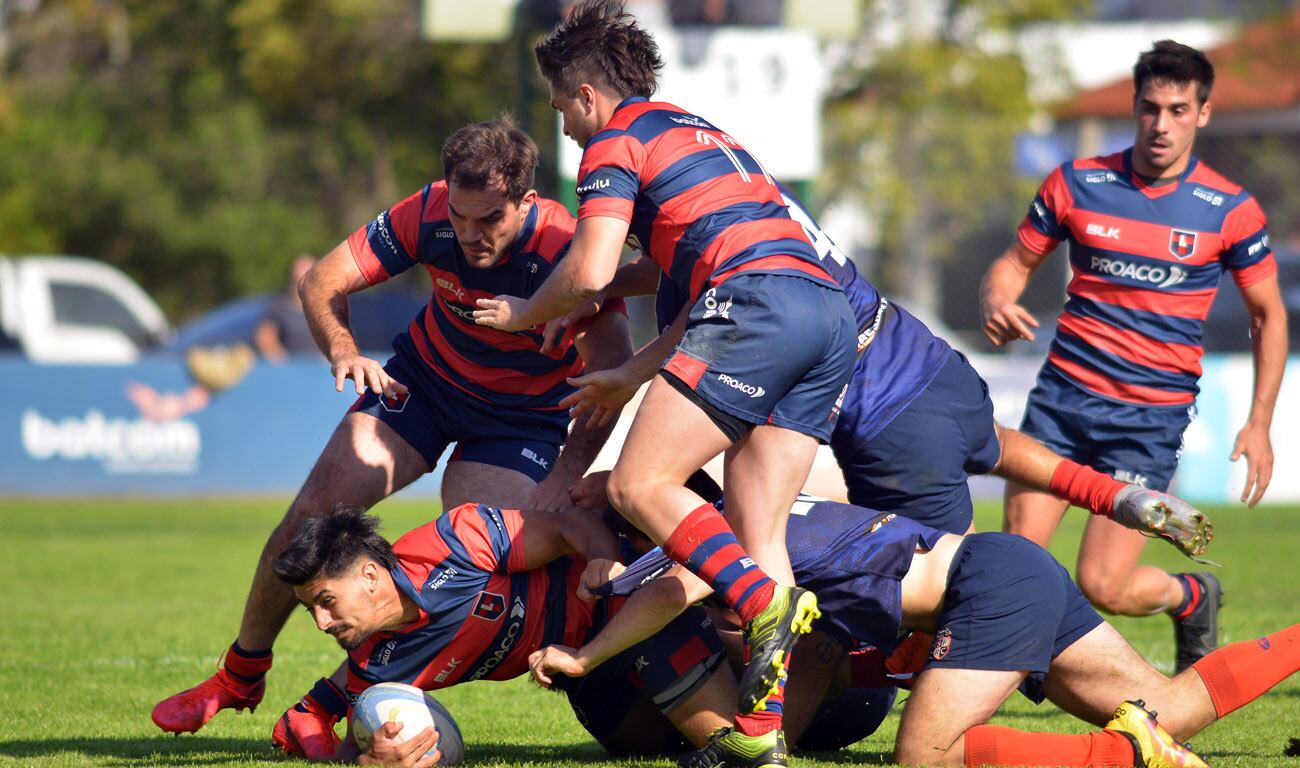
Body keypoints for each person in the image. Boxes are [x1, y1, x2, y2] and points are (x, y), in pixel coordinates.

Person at [151, 118, 633, 735]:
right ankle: (240, 674)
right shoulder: (428, 213)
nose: (468, 235)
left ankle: (350, 698)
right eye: (460, 217)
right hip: (421, 387)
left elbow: (614, 370)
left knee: (498, 564)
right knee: (311, 513)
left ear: (527, 202)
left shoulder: (570, 248)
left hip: (522, 421)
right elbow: (321, 280)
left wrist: (565, 475)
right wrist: (344, 349)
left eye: (488, 220)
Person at [474, 0, 858, 748]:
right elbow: (674, 258)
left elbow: (586, 268)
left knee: (637, 485)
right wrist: (618, 298)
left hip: (758, 306)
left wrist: (524, 312)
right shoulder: (693, 128)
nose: (563, 127)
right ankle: (761, 734)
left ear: (587, 95)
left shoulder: (613, 141)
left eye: (561, 109)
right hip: (827, 310)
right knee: (757, 530)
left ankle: (758, 602)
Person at [557, 187, 1215, 556]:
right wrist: (589, 290)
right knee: (991, 443)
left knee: (962, 596)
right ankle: (1118, 496)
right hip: (929, 362)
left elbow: (726, 411)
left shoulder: (725, 283)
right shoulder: (757, 214)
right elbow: (664, 269)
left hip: (888, 425)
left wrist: (636, 473)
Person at [533, 490, 1300, 768]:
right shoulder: (760, 505)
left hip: (982, 587)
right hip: (1005, 567)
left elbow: (672, 590)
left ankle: (1124, 756)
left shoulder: (715, 537)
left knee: (925, 755)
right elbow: (815, 640)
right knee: (1175, 707)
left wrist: (585, 652)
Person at [980, 41, 1288, 672]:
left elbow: (1269, 315)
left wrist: (1259, 422)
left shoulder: (1230, 210)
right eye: (1151, 108)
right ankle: (1012, 680)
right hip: (1061, 405)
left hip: (1146, 424)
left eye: (1179, 110)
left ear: (1203, 113)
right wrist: (997, 299)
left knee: (1105, 586)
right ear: (1134, 106)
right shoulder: (1077, 183)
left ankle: (1191, 596)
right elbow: (1012, 266)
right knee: (1017, 562)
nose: (1162, 125)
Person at [270, 503, 737, 763]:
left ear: (370, 577)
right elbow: (354, 750)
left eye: (326, 601)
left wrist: (600, 558)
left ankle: (764, 646)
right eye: (310, 609)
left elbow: (565, 526)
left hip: (624, 608)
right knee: (645, 748)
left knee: (722, 738)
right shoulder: (376, 666)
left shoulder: (455, 543)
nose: (320, 623)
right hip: (578, 675)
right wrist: (370, 762)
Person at [254, 255, 320, 362]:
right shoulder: (279, 306)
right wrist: (282, 360)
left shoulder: (326, 306)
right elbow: (265, 337)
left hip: (320, 368)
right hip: (291, 369)